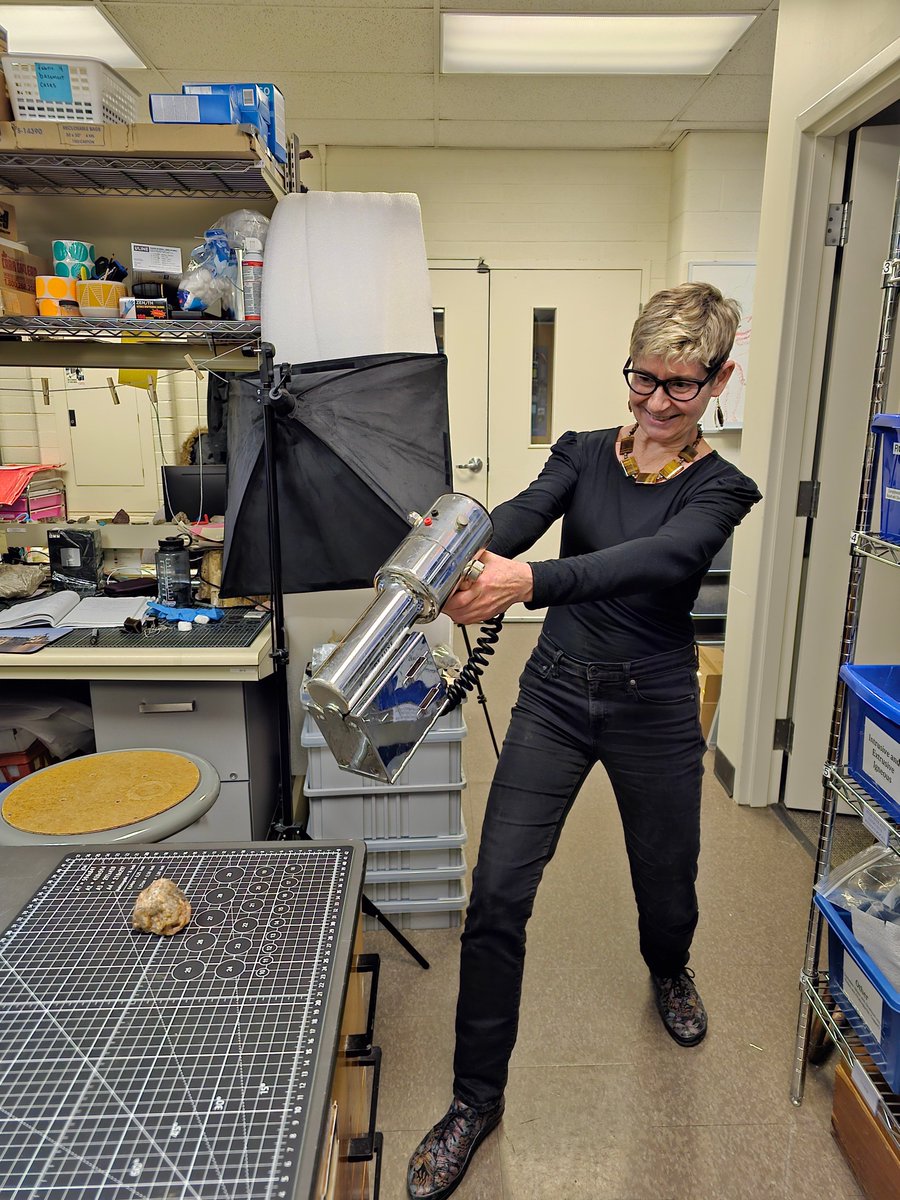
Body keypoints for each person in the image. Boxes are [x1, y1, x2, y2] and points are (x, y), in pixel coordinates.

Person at [406, 282, 763, 1200]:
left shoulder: (722, 486)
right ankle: (474, 1103)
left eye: (680, 388)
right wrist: (458, 547)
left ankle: (670, 968)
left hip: (653, 707)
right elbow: (522, 515)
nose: (652, 404)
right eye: (642, 379)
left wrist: (526, 582)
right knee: (497, 894)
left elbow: (661, 561)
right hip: (557, 698)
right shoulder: (578, 453)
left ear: (718, 380)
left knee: (667, 877)